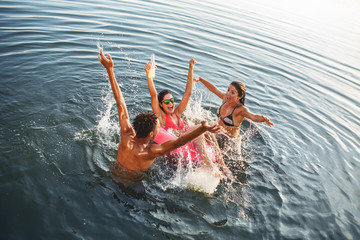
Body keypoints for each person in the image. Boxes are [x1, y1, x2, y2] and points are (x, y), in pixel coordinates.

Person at [98, 49, 221, 196]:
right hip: (133, 185)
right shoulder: (150, 152)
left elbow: (120, 103)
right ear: (151, 134)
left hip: (111, 175)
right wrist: (202, 128)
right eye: (157, 128)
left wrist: (110, 70)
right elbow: (178, 143)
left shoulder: (126, 135)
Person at [144, 59, 231, 178]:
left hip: (185, 137)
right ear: (161, 104)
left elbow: (188, 93)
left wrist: (191, 69)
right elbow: (154, 95)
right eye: (167, 102)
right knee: (200, 128)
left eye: (172, 100)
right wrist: (149, 76)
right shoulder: (161, 117)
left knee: (209, 134)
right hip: (176, 141)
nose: (171, 104)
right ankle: (207, 163)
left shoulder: (177, 113)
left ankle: (222, 164)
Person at [194, 77, 274, 141]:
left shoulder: (240, 110)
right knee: (196, 128)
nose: (228, 94)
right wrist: (201, 79)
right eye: (228, 90)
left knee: (201, 136)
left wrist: (264, 119)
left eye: (232, 92)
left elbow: (253, 117)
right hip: (218, 134)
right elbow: (214, 89)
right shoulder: (225, 98)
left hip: (229, 142)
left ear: (239, 97)